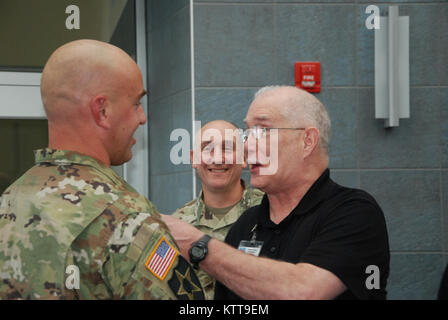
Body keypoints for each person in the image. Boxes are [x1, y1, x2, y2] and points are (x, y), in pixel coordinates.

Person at [0, 40, 204, 300]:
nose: (142, 117)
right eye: (135, 104)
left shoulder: (10, 200)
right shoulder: (126, 217)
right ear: (103, 111)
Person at [162, 85, 390, 300]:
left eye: (263, 131)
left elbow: (304, 292)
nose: (248, 145)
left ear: (307, 141)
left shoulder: (354, 213)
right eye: (247, 133)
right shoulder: (246, 224)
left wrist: (198, 245)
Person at [172, 120, 264, 299]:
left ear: (244, 158)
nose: (217, 158)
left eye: (227, 149)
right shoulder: (179, 224)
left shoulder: (271, 212)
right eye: (207, 149)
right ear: (193, 159)